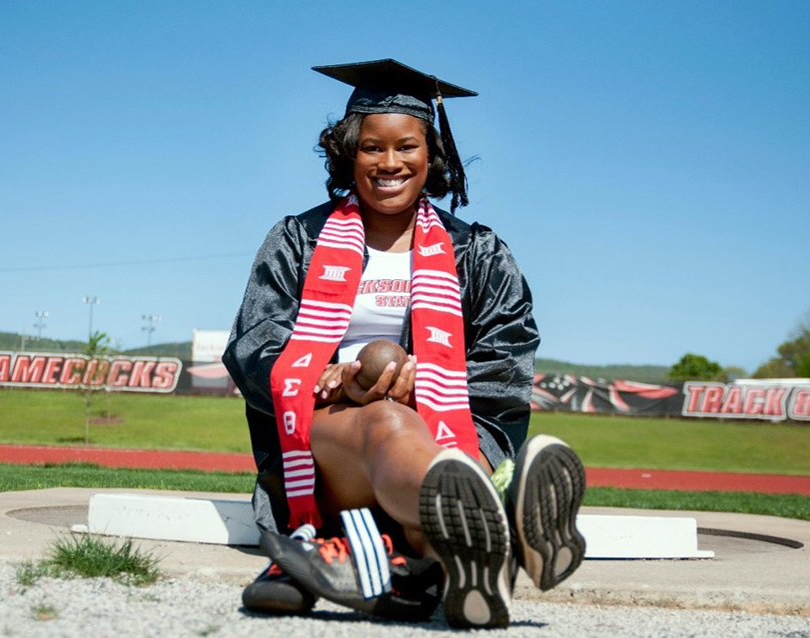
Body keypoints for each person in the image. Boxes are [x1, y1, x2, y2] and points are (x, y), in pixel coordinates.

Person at [222, 59, 585, 629]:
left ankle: (462, 557)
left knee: (401, 428)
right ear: (349, 153)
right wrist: (331, 375)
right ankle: (506, 521)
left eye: (407, 146)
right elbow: (254, 342)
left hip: (445, 429)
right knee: (384, 422)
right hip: (325, 438)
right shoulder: (298, 239)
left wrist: (428, 382)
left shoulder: (479, 253)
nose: (389, 163)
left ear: (431, 155)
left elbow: (507, 359)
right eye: (371, 148)